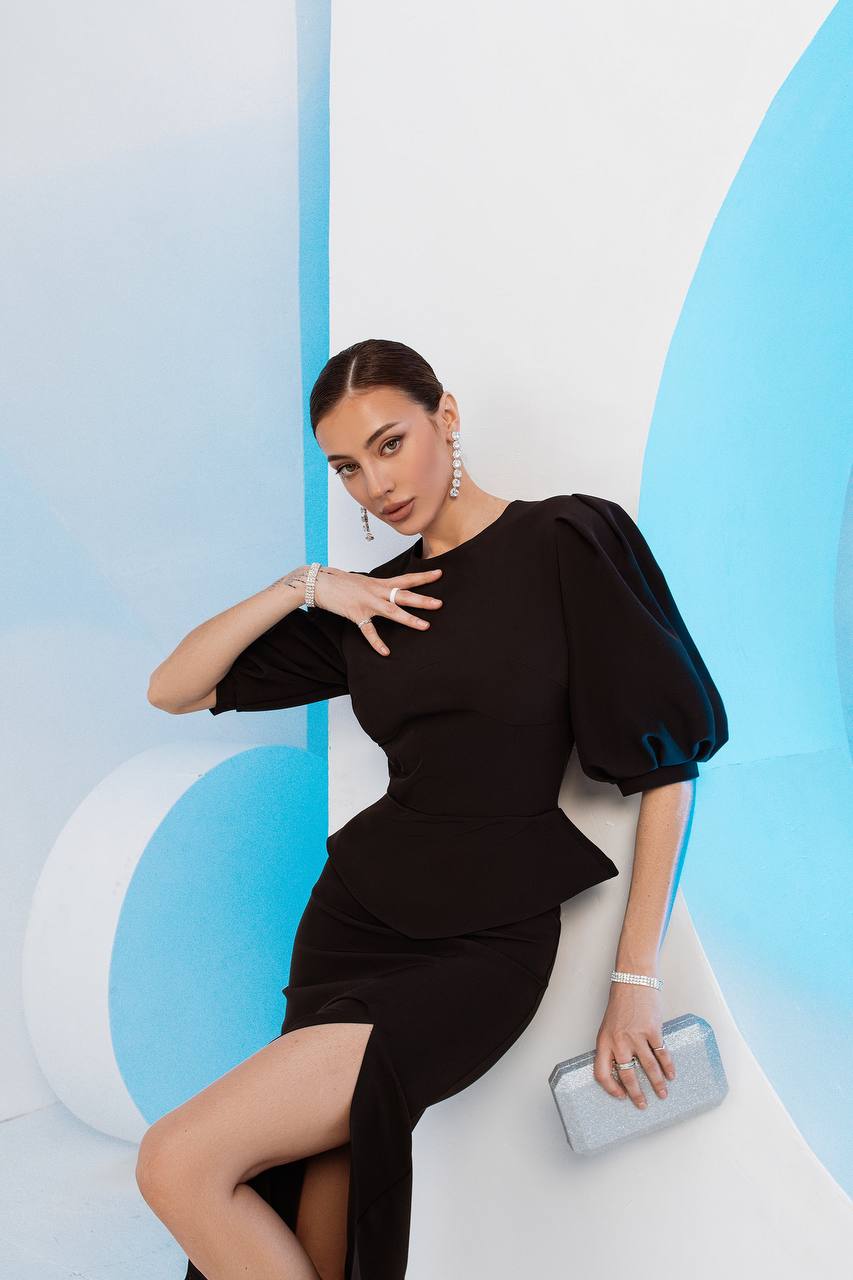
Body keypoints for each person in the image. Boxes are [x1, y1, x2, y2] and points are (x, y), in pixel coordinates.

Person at [139, 338, 728, 1280]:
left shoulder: (567, 540)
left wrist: (635, 980)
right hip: (351, 926)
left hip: (481, 946)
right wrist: (308, 586)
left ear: (445, 415)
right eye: (344, 466)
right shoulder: (374, 605)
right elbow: (175, 687)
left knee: (176, 1159)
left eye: (388, 443)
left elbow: (670, 768)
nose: (372, 483)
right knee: (321, 1241)